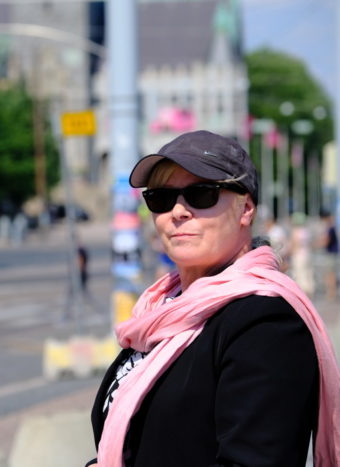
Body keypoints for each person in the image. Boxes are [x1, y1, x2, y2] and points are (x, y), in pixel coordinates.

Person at [86, 130, 340, 467]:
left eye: (200, 195)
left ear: (245, 208)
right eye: (161, 198)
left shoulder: (265, 323)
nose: (177, 211)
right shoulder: (162, 310)